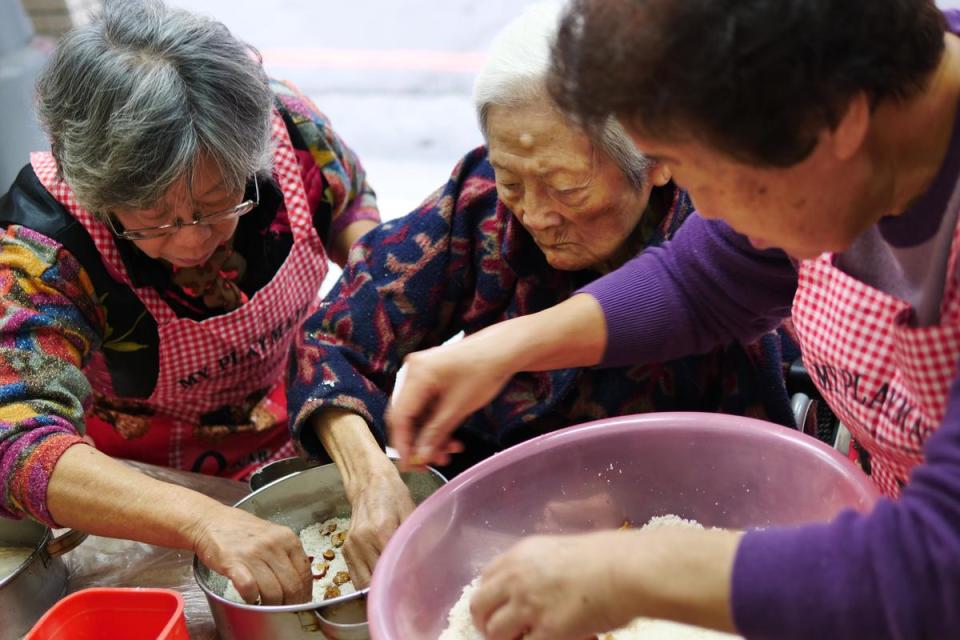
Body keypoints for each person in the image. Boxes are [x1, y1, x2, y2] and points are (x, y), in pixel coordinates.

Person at [386, 0, 960, 638]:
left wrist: (630, 570)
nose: (702, 208)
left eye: (702, 172)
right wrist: (499, 350)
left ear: (839, 122)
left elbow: (937, 564)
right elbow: (711, 276)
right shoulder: (837, 132)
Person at [288, 0, 793, 589]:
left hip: (670, 553)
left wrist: (633, 503)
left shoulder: (724, 233)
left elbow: (757, 472)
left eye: (567, 188)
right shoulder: (477, 208)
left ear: (655, 161)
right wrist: (368, 472)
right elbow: (331, 335)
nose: (533, 213)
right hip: (488, 524)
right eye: (512, 180)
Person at [0, 0, 379, 605]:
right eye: (154, 220)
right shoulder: (42, 244)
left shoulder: (283, 128)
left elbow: (358, 220)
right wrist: (204, 520)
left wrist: (363, 426)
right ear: (93, 187)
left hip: (303, 430)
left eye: (218, 201)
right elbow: (16, 443)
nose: (194, 240)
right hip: (144, 493)